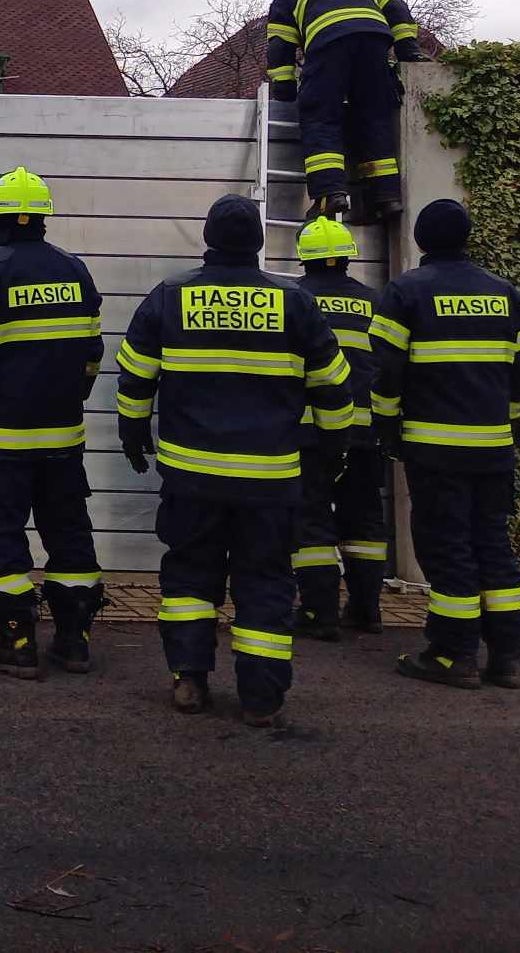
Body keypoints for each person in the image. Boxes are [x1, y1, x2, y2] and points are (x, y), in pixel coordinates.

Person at [115, 194, 354, 726]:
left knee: (190, 577)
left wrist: (133, 434)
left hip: (191, 475)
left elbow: (134, 378)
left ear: (207, 238)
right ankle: (262, 697)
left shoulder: (169, 297)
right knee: (265, 581)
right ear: (260, 243)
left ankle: (189, 679)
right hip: (269, 481)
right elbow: (335, 390)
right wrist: (333, 451)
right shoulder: (295, 303)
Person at [0, 169, 107, 679]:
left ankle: (17, 641)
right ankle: (74, 640)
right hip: (63, 437)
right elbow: (92, 355)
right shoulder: (75, 270)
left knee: (2, 534)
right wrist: (71, 398)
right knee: (69, 530)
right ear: (43, 216)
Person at [372, 198, 520, 690]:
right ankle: (505, 656)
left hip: (435, 449)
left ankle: (452, 653)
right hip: (493, 449)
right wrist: (502, 428)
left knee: (448, 548)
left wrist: (386, 426)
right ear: (467, 238)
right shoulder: (506, 294)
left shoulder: (405, 292)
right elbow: (519, 376)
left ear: (420, 240)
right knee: (493, 545)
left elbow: (386, 371)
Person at [289, 217, 388, 640]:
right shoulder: (377, 301)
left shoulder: (294, 300)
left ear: (304, 258)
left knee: (310, 520)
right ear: (348, 256)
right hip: (365, 434)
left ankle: (319, 612)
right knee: (364, 520)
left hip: (311, 433)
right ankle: (366, 610)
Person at [264, 0, 425, 222]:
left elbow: (280, 41)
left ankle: (330, 194)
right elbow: (397, 9)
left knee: (320, 116)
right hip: (374, 40)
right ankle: (386, 197)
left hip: (327, 40)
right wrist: (408, 50)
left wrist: (284, 85)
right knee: (374, 116)